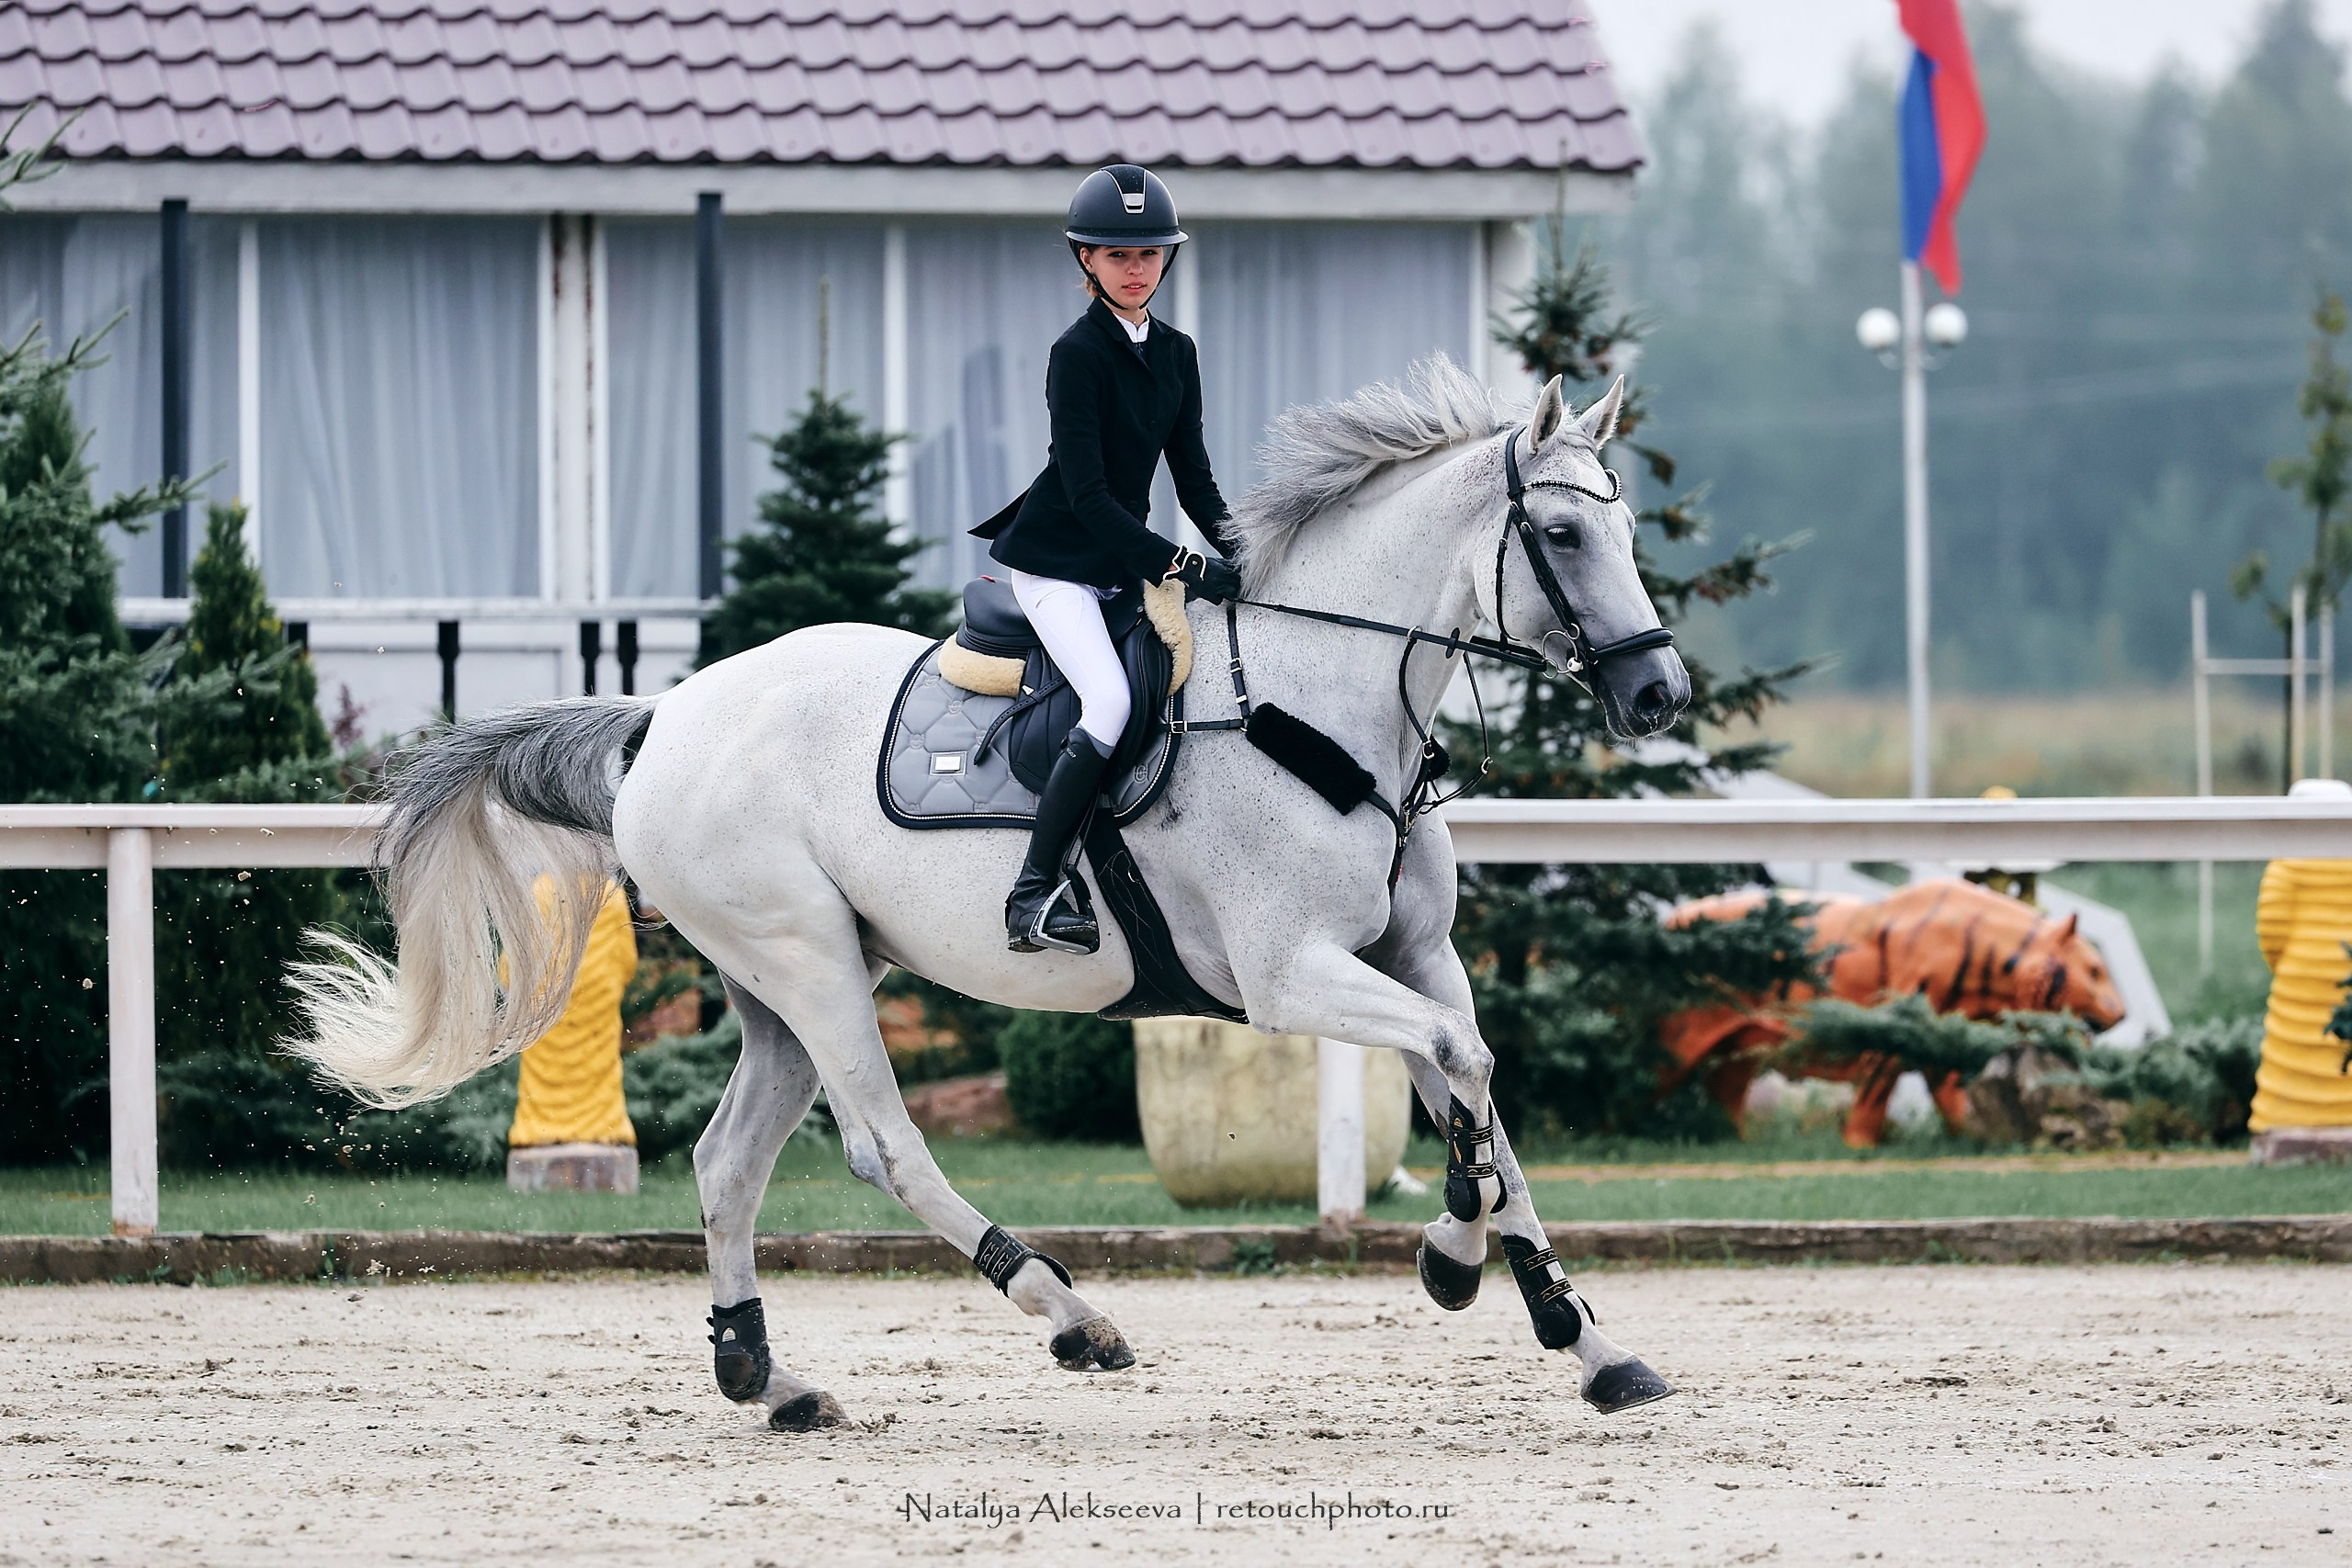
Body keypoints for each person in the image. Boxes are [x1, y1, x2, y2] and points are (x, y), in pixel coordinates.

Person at [970, 164, 1243, 955]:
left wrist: (1247, 554)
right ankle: (1032, 891)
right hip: (1059, 563)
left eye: (1150, 253)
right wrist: (1185, 568)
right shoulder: (1076, 353)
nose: (1136, 267)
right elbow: (1089, 497)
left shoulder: (1179, 352)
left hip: (1124, 562)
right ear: (1086, 260)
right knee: (1111, 703)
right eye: (1117, 254)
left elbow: (1194, 480)